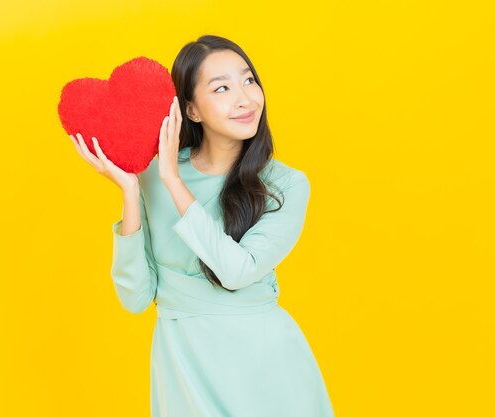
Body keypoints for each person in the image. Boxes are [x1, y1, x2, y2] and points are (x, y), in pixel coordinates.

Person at [70, 34, 335, 417]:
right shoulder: (152, 176)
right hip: (183, 365)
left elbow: (236, 271)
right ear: (191, 110)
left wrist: (173, 183)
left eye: (248, 80)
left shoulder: (287, 185)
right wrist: (130, 189)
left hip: (265, 366)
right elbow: (135, 298)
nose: (245, 98)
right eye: (222, 88)